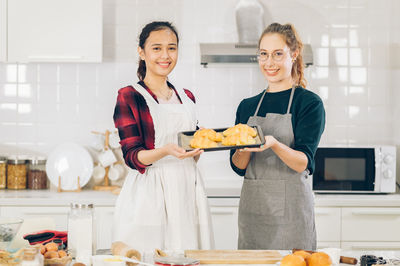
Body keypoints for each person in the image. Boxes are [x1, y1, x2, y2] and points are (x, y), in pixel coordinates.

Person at [113, 21, 214, 252]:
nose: (165, 55)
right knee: (150, 255)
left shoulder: (186, 96)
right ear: (142, 52)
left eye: (172, 47)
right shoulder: (130, 96)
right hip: (150, 192)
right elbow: (132, 157)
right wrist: (167, 150)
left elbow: (190, 152)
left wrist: (198, 148)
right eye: (156, 48)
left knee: (189, 254)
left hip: (188, 191)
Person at [230, 22, 325, 250]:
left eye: (277, 54)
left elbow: (304, 162)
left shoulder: (309, 103)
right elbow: (238, 166)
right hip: (253, 214)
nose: (269, 62)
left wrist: (273, 143)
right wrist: (242, 147)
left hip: (291, 217)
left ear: (294, 55)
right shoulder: (247, 106)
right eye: (263, 54)